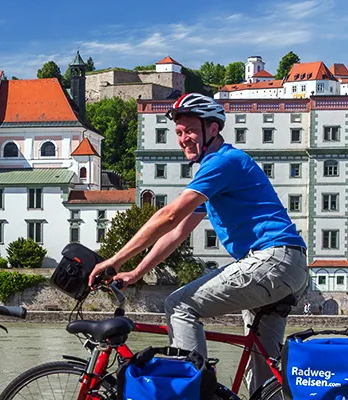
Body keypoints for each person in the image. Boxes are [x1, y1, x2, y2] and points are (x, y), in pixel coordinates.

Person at [89, 93, 310, 393]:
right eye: (179, 132)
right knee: (263, 383)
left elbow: (168, 216)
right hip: (285, 266)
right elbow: (177, 232)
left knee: (179, 305)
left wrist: (114, 260)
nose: (183, 139)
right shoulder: (218, 170)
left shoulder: (222, 162)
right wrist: (136, 272)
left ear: (213, 129)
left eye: (190, 130)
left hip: (272, 260)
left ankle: (194, 392)